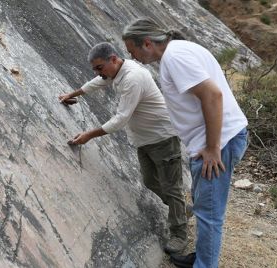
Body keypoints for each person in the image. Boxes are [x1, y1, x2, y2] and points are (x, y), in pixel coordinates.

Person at [122, 19, 248, 268]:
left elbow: (212, 95)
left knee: (209, 215)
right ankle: (202, 258)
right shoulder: (181, 49)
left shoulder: (174, 57)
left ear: (147, 43)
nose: (131, 56)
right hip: (218, 139)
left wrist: (213, 148)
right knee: (204, 207)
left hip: (218, 143)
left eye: (132, 50)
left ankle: (205, 264)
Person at [59, 42, 188, 254]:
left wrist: (88, 136)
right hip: (144, 139)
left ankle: (179, 234)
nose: (98, 72)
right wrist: (72, 94)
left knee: (171, 187)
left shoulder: (133, 77)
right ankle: (181, 210)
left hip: (163, 137)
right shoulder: (113, 72)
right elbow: (96, 82)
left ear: (113, 59)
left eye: (99, 67)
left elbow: (120, 119)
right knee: (149, 181)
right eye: (94, 68)